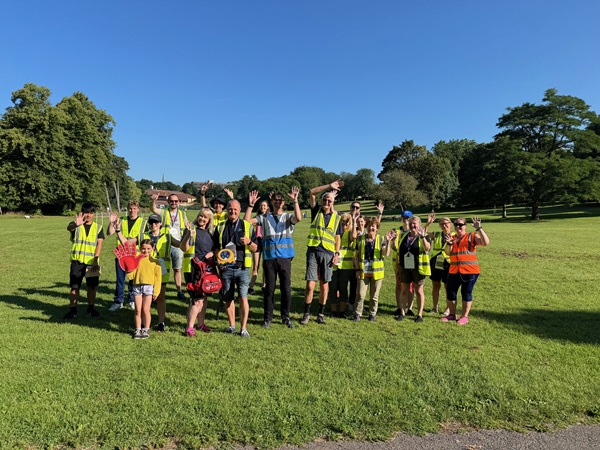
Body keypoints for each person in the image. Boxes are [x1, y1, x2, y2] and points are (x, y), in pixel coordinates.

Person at [245, 188, 302, 328]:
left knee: (286, 289)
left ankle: (285, 317)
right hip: (269, 259)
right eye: (275, 200)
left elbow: (299, 218)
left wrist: (295, 200)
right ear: (271, 202)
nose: (278, 203)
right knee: (269, 290)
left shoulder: (288, 217)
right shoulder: (264, 218)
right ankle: (268, 318)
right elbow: (246, 220)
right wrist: (251, 205)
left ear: (283, 203)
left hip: (285, 258)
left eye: (280, 200)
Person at [300, 180, 344, 325]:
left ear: (333, 203)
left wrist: (337, 253)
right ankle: (306, 314)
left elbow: (338, 237)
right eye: (324, 199)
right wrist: (329, 187)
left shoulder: (337, 218)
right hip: (313, 250)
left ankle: (320, 314)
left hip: (328, 253)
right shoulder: (316, 211)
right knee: (310, 285)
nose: (326, 202)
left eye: (329, 200)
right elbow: (312, 192)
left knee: (324, 285)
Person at [213, 199, 257, 337]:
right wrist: (217, 258)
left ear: (240, 210)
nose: (233, 211)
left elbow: (256, 248)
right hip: (225, 269)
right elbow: (215, 246)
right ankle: (232, 325)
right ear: (227, 209)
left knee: (243, 298)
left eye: (235, 209)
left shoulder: (247, 226)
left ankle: (243, 328)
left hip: (242, 268)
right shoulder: (220, 226)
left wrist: (249, 242)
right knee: (228, 298)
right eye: (230, 209)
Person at [441, 216, 490, 325]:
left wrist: (479, 228)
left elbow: (485, 242)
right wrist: (449, 244)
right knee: (451, 292)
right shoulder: (452, 237)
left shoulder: (471, 236)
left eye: (460, 225)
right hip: (454, 270)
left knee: (466, 293)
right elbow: (448, 253)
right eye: (456, 225)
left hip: (470, 271)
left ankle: (464, 316)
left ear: (465, 226)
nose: (458, 227)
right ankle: (452, 315)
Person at [64, 203, 104, 320]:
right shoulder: (76, 225)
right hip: (77, 262)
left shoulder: (98, 227)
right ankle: (73, 310)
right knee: (74, 287)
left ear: (93, 214)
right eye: (86, 212)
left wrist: (96, 259)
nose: (88, 215)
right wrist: (76, 225)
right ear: (82, 213)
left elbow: (99, 243)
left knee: (92, 287)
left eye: (91, 213)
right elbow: (69, 228)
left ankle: (91, 308)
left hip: (92, 262)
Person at [116, 239, 162, 339]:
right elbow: (131, 276)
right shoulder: (137, 259)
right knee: (137, 310)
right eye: (143, 249)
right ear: (140, 248)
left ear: (152, 248)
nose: (146, 251)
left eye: (149, 249)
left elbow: (158, 278)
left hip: (149, 288)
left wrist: (156, 291)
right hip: (137, 287)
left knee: (146, 310)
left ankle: (146, 329)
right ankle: (137, 329)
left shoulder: (155, 262)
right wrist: (127, 266)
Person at [179, 208, 215, 336]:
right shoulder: (191, 230)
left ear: (209, 220)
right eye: (200, 216)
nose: (202, 219)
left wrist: (213, 253)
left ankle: (200, 324)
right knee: (197, 300)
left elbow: (213, 248)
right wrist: (189, 234)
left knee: (204, 299)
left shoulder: (210, 233)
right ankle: (189, 328)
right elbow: (183, 247)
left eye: (205, 217)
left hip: (207, 270)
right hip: (193, 269)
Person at [107, 199, 146, 311]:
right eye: (130, 208)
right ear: (127, 209)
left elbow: (140, 239)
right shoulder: (122, 220)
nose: (132, 211)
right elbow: (109, 233)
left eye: (134, 209)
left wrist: (127, 241)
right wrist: (111, 222)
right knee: (120, 280)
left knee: (133, 280)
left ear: (138, 209)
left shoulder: (143, 222)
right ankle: (118, 301)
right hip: (121, 255)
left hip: (134, 255)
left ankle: (132, 300)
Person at [353, 217, 395, 322]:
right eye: (369, 226)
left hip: (377, 273)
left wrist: (388, 242)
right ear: (366, 227)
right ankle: (358, 313)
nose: (371, 228)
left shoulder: (381, 239)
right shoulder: (360, 239)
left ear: (377, 228)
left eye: (373, 226)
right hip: (363, 272)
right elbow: (356, 256)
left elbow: (387, 253)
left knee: (374, 296)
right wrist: (357, 270)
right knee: (360, 294)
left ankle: (372, 314)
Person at [391, 215, 431, 322]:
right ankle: (402, 312)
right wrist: (393, 240)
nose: (412, 225)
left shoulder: (424, 235)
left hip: (418, 267)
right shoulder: (404, 236)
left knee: (419, 291)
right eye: (410, 223)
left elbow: (427, 247)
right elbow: (395, 248)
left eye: (414, 223)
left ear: (419, 225)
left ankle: (419, 315)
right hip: (405, 267)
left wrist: (422, 237)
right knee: (404, 290)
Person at [151, 193, 188, 300]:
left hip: (178, 245)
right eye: (172, 201)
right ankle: (156, 292)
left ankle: (179, 291)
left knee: (177, 269)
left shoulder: (182, 214)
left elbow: (185, 228)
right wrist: (153, 201)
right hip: (164, 244)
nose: (174, 203)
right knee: (160, 268)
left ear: (179, 202)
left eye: (176, 201)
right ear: (168, 202)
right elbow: (153, 209)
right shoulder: (163, 212)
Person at [143, 214, 171, 332]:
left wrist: (189, 235)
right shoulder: (144, 236)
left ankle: (161, 322)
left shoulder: (168, 237)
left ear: (160, 224)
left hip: (162, 272)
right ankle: (145, 324)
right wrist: (118, 231)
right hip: (147, 271)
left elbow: (182, 245)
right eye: (151, 222)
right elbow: (129, 242)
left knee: (160, 297)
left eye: (156, 222)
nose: (153, 224)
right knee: (146, 298)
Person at [328, 212, 357, 318]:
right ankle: (333, 311)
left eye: (346, 222)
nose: (344, 224)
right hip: (334, 264)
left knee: (343, 288)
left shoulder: (350, 232)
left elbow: (354, 236)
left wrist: (353, 220)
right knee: (333, 288)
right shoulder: (335, 232)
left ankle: (342, 311)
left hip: (346, 265)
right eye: (342, 221)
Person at [424, 212, 454, 315]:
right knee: (435, 285)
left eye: (446, 223)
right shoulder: (436, 234)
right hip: (435, 262)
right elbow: (423, 234)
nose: (444, 225)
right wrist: (428, 224)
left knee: (447, 287)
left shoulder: (455, 235)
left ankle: (448, 309)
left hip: (448, 263)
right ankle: (434, 307)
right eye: (441, 224)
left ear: (450, 224)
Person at [394, 210, 416, 318]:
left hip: (413, 263)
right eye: (403, 218)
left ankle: (410, 308)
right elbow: (394, 247)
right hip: (400, 263)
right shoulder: (397, 231)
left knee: (412, 286)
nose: (405, 220)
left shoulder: (415, 231)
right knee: (400, 285)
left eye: (407, 218)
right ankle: (399, 307)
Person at [247, 198, 269, 295]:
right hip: (257, 243)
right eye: (261, 206)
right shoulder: (257, 217)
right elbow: (248, 221)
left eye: (264, 206)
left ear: (267, 207)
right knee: (256, 266)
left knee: (266, 266)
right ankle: (251, 286)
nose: (263, 207)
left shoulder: (270, 217)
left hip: (267, 243)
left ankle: (264, 286)